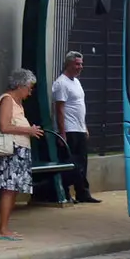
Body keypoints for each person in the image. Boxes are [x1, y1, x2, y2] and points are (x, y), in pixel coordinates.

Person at [0, 68, 48, 241]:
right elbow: (5, 126)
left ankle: (5, 227)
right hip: (12, 150)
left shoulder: (16, 102)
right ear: (20, 86)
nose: (30, 92)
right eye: (29, 88)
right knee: (9, 188)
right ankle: (2, 228)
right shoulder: (7, 100)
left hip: (19, 149)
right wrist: (28, 130)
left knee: (13, 189)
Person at [50, 52, 100, 204]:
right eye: (77, 64)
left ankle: (83, 192)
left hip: (79, 128)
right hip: (69, 129)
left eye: (81, 64)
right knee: (69, 162)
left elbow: (79, 107)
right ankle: (65, 192)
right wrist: (62, 133)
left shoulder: (76, 82)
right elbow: (59, 109)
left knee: (82, 162)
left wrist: (84, 127)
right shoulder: (61, 83)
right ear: (69, 64)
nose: (80, 67)